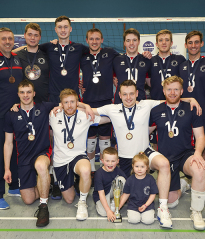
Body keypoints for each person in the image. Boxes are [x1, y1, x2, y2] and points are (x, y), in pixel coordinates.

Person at [83, 79, 200, 229]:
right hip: (124, 159)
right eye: (124, 94)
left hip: (144, 153)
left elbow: (170, 98)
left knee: (164, 163)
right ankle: (182, 185)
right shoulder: (111, 108)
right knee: (130, 193)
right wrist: (77, 105)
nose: (128, 97)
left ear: (137, 93)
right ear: (119, 95)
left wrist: (190, 99)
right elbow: (86, 109)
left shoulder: (146, 104)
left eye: (132, 93)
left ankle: (163, 209)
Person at [150, 75, 205, 231]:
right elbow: (145, 131)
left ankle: (196, 212)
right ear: (163, 91)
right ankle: (183, 184)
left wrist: (198, 153)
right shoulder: (155, 110)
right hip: (165, 159)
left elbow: (200, 136)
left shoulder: (191, 108)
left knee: (200, 169)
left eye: (176, 89)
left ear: (182, 91)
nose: (173, 92)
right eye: (169, 89)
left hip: (185, 154)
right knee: (171, 202)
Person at [3, 79, 58, 227]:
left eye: (28, 92)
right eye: (22, 92)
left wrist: (86, 107)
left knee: (41, 166)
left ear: (34, 93)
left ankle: (43, 207)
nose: (25, 95)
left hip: (42, 153)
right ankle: (46, 184)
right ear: (18, 94)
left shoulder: (44, 107)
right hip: (24, 157)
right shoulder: (11, 114)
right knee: (27, 200)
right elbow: (8, 143)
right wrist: (7, 169)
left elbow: (67, 103)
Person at [49, 88, 110, 221]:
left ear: (77, 102)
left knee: (86, 169)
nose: (69, 105)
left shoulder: (85, 115)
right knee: (69, 199)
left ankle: (82, 202)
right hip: (60, 160)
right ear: (61, 103)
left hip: (78, 156)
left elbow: (107, 118)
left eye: (72, 102)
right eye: (66, 102)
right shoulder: (53, 115)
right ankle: (77, 184)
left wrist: (87, 107)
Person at [80, 28, 119, 178]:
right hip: (88, 102)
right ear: (87, 40)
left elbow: (124, 63)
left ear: (102, 40)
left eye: (97, 39)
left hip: (106, 102)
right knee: (90, 140)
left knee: (104, 139)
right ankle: (90, 171)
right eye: (91, 39)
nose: (94, 41)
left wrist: (116, 78)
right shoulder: (82, 56)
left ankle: (104, 170)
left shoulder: (110, 53)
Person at [179, 30, 205, 166]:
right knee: (185, 148)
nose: (193, 45)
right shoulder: (181, 66)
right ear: (185, 45)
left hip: (203, 115)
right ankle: (188, 180)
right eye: (190, 43)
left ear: (202, 43)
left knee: (203, 151)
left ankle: (202, 186)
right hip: (184, 115)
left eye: (196, 42)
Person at [39, 15, 89, 103]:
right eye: (60, 27)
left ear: (70, 29)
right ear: (55, 30)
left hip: (73, 95)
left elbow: (96, 53)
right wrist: (10, 51)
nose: (63, 30)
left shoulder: (79, 48)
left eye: (66, 27)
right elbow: (29, 48)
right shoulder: (49, 47)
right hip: (54, 96)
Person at [0, 27, 23, 210]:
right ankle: (0, 194)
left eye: (10, 38)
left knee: (15, 151)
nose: (7, 41)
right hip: (0, 115)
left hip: (15, 115)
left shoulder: (17, 59)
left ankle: (14, 185)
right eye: (4, 39)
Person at [113, 28, 151, 104]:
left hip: (140, 101)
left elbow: (150, 82)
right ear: (124, 43)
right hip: (120, 102)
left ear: (139, 42)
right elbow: (113, 80)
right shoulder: (116, 60)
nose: (131, 43)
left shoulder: (146, 60)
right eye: (128, 40)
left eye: (134, 40)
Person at [14, 23, 50, 103]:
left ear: (40, 37)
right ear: (24, 35)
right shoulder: (17, 55)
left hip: (44, 102)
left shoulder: (47, 55)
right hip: (24, 102)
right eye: (29, 34)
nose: (32, 38)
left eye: (36, 35)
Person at [119, 152, 158, 225]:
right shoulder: (130, 180)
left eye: (142, 167)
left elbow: (153, 194)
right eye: (137, 166)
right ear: (133, 166)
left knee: (148, 221)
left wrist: (145, 205)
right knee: (134, 220)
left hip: (147, 206)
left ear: (147, 167)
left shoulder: (150, 179)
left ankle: (147, 213)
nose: (139, 169)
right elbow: (125, 195)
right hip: (133, 205)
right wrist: (118, 207)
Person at [147, 29, 186, 100]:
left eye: (167, 40)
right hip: (156, 101)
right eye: (161, 40)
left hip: (175, 101)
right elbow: (149, 82)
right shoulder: (150, 61)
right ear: (156, 44)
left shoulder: (180, 59)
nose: (164, 43)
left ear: (171, 43)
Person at [93, 147, 126, 222]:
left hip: (111, 190)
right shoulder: (99, 173)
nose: (110, 164)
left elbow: (127, 184)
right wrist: (108, 211)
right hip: (102, 194)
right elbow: (101, 194)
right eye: (107, 161)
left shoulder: (117, 169)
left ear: (117, 161)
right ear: (102, 160)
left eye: (113, 161)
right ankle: (108, 206)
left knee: (121, 180)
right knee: (104, 213)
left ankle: (115, 203)